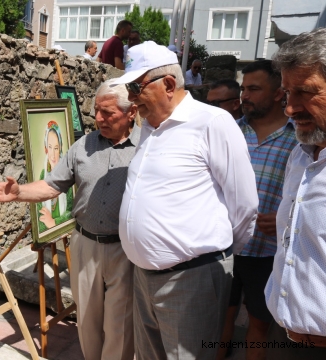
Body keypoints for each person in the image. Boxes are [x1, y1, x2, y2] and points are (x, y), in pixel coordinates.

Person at [113, 41, 258, 359]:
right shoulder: (149, 128)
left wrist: (211, 257)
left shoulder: (212, 122)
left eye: (136, 87)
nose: (131, 97)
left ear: (167, 84)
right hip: (144, 277)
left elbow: (244, 205)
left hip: (191, 281)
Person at [0, 80, 140, 360]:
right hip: (86, 245)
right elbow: (52, 185)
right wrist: (19, 192)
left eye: (108, 112)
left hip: (126, 251)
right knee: (88, 322)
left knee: (121, 325)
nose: (99, 119)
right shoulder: (84, 146)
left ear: (131, 112)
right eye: (96, 111)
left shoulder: (148, 147)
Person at [217, 60, 297, 360]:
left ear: (278, 93)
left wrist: (283, 220)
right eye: (243, 89)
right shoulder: (231, 132)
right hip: (223, 247)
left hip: (268, 252)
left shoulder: (298, 138)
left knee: (260, 325)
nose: (244, 96)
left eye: (254, 89)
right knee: (220, 319)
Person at [264, 27, 326, 359]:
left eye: (305, 91)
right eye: (288, 92)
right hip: (284, 338)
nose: (290, 108)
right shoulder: (300, 156)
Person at [36, 121, 74, 232]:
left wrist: (54, 223)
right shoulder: (43, 175)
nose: (52, 154)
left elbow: (72, 212)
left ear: (60, 149)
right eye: (50, 147)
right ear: (46, 149)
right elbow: (39, 215)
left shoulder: (67, 174)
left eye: (56, 148)